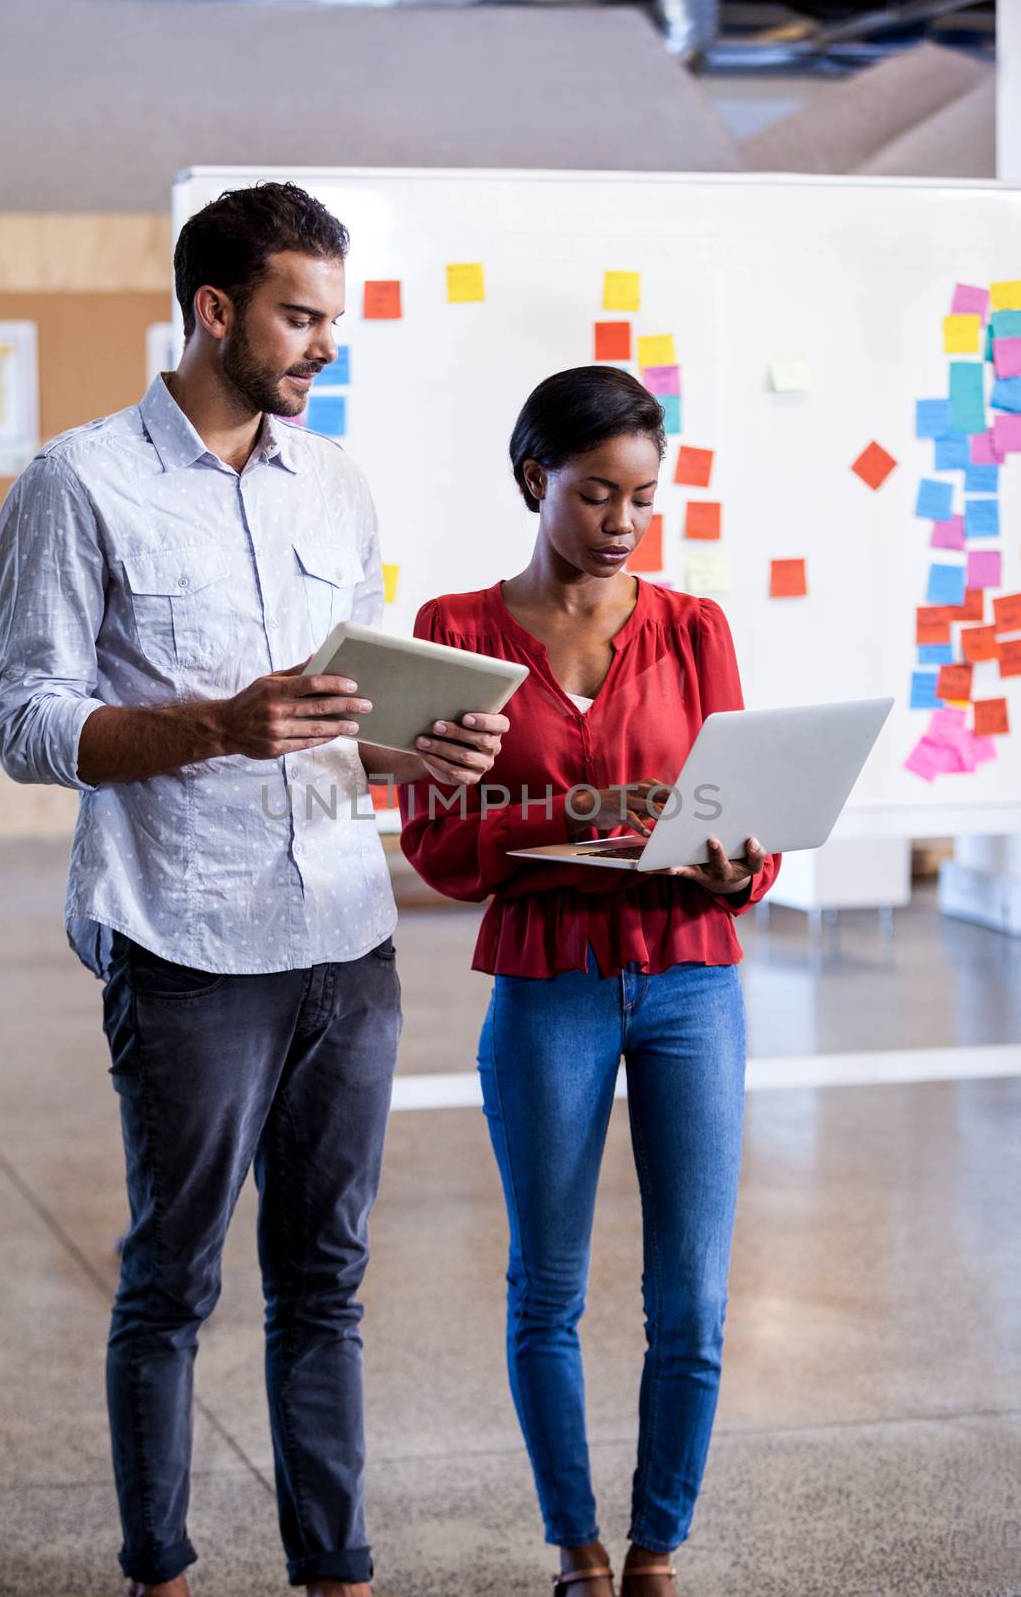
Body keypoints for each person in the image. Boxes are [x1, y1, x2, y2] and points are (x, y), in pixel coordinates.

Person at [0, 182, 509, 1597]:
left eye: (331, 317)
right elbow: (27, 723)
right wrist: (214, 723)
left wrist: (425, 753)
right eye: (298, 314)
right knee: (172, 1281)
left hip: (346, 934)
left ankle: (332, 1569)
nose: (320, 345)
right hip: (187, 940)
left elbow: (334, 726)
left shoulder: (334, 487)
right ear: (214, 308)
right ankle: (156, 1567)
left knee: (324, 1285)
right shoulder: (78, 482)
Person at [400, 366, 780, 1596]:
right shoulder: (456, 633)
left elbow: (746, 827)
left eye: (641, 498)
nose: (622, 522)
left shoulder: (692, 628)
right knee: (546, 1288)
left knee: (692, 1298)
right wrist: (585, 812)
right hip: (546, 983)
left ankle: (657, 1550)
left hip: (690, 982)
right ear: (533, 481)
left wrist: (734, 865)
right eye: (595, 493)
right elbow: (443, 849)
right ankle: (575, 1544)